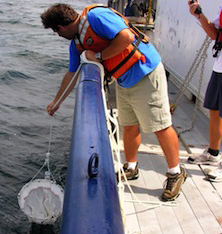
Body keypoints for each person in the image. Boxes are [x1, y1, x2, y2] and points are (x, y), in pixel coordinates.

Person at [41, 3, 187, 201]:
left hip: (145, 72)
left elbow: (126, 37)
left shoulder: (96, 16)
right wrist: (56, 102)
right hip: (124, 80)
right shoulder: (77, 44)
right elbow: (71, 73)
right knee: (129, 126)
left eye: (55, 31)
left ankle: (175, 172)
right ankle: (131, 167)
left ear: (61, 27)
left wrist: (98, 56)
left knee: (160, 125)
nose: (56, 35)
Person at [187, 0, 222, 181]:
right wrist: (199, 15)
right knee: (214, 110)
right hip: (220, 67)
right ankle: (213, 153)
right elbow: (214, 34)